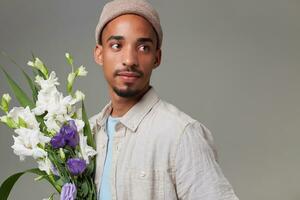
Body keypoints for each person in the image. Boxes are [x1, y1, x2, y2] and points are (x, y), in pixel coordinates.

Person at [90, 0, 239, 199]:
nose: (130, 60)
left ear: (157, 58)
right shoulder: (86, 134)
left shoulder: (180, 135)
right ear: (99, 54)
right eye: (117, 45)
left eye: (143, 48)